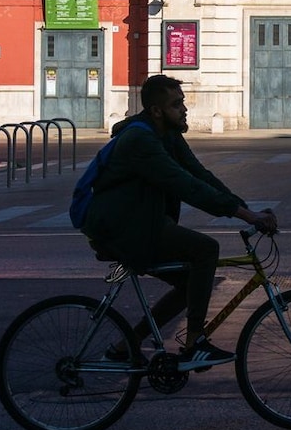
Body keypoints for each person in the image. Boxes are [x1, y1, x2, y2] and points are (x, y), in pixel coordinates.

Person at [79, 75, 279, 369]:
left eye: (183, 102)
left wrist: (245, 209)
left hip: (141, 221)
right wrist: (246, 216)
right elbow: (186, 186)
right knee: (205, 250)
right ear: (156, 110)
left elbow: (199, 175)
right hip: (122, 228)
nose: (184, 109)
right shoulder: (141, 140)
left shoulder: (167, 134)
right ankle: (195, 340)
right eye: (177, 104)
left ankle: (126, 346)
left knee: (190, 285)